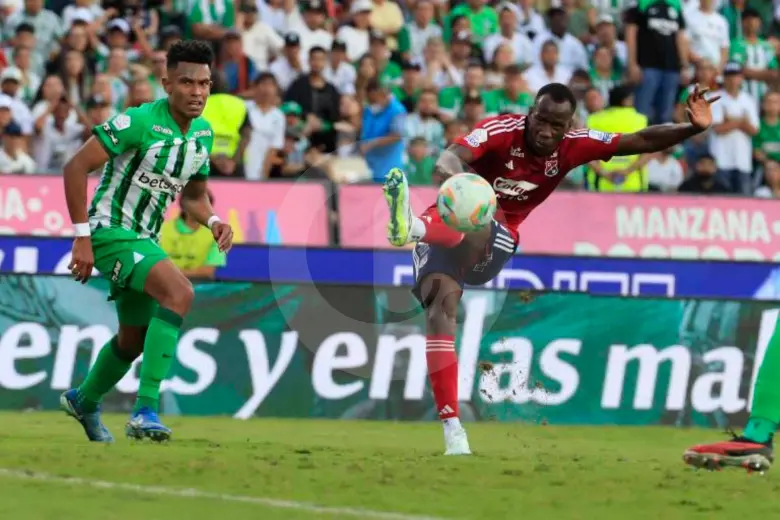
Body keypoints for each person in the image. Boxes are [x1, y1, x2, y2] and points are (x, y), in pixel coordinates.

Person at [382, 82, 718, 456]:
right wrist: (454, 177)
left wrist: (691, 128)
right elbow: (449, 157)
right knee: (440, 313)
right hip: (450, 226)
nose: (546, 130)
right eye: (540, 120)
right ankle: (453, 432)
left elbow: (637, 140)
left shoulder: (576, 144)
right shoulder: (500, 131)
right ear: (530, 113)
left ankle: (413, 227)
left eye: (556, 125)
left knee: (480, 210)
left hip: (495, 238)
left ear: (568, 126)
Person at [59, 40, 234, 443]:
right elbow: (75, 167)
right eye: (187, 82)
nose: (197, 92)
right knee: (180, 292)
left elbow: (192, 195)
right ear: (166, 83)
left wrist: (212, 219)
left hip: (144, 237)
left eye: (204, 83)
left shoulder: (203, 134)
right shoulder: (139, 122)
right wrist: (82, 238)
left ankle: (84, 399)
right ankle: (145, 409)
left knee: (132, 339)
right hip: (109, 230)